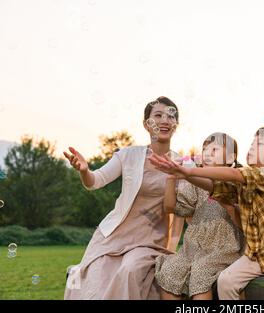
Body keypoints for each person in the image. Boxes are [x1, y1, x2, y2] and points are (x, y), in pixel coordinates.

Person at [150, 125, 264, 300]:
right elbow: (214, 186)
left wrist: (188, 170)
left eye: (259, 144)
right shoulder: (244, 183)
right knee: (226, 281)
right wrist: (181, 174)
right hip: (260, 252)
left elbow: (234, 174)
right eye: (252, 142)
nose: (251, 146)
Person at [63, 96, 184, 299]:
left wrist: (172, 247)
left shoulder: (182, 165)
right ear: (146, 124)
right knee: (92, 278)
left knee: (129, 270)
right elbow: (95, 181)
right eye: (158, 115)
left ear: (176, 125)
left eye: (171, 116)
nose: (165, 120)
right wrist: (84, 171)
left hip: (150, 240)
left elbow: (182, 208)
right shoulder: (128, 155)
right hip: (113, 234)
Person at [155, 132, 244, 300]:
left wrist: (189, 173)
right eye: (205, 149)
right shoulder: (195, 182)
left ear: (231, 157)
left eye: (215, 149)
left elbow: (217, 188)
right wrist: (171, 176)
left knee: (200, 271)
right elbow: (169, 207)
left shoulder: (236, 179)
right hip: (194, 247)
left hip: (225, 246)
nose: (207, 153)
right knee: (169, 271)